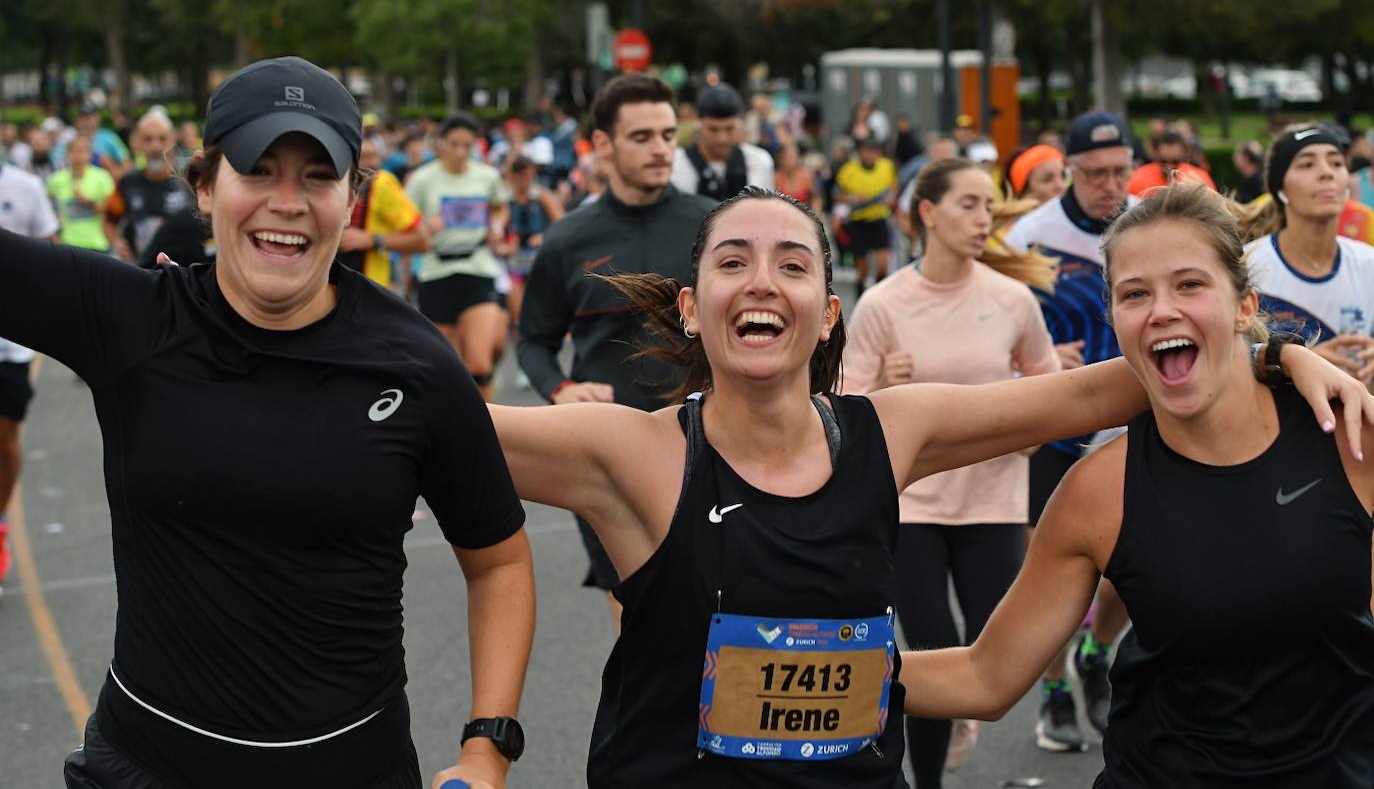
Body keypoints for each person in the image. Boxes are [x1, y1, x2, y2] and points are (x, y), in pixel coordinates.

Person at [488, 185, 1361, 789]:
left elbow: (1115, 377)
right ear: (690, 305)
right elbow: (436, 420)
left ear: (830, 314)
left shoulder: (887, 431)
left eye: (793, 264)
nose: (762, 282)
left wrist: (1271, 358)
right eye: (733, 263)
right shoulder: (629, 452)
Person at [1, 56, 533, 789]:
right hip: (146, 766)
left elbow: (499, 560)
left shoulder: (416, 365)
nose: (287, 201)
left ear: (353, 202)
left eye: (318, 176)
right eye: (259, 169)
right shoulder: (131, 320)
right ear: (204, 185)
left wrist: (487, 748)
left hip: (354, 769)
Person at [898, 182, 1374, 788]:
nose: (1161, 309)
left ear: (1245, 306)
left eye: (1190, 284)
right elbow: (985, 678)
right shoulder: (1098, 493)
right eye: (1135, 294)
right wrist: (804, 675)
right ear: (1116, 320)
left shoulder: (1350, 440)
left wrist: (1282, 357)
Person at [842, 160, 1061, 786]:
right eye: (969, 205)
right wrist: (884, 384)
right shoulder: (884, 303)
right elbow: (844, 409)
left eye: (989, 207)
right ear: (928, 214)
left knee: (993, 651)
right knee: (933, 653)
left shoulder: (1012, 299)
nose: (983, 218)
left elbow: (1049, 386)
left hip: (993, 502)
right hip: (914, 508)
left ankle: (955, 715)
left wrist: (1027, 435)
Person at [516, 73, 714, 627]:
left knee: (713, 606)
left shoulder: (713, 226)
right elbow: (533, 340)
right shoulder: (567, 239)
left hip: (706, 442)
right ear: (602, 145)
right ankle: (646, 715)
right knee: (639, 614)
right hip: (606, 453)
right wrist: (559, 388)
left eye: (669, 135)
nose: (661, 149)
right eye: (643, 137)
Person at [1002, 110, 1137, 752]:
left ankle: (1098, 649)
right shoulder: (1032, 235)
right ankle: (1054, 692)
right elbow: (999, 328)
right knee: (1053, 572)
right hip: (1054, 426)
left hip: (1136, 423)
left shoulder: (1145, 226)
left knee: (1129, 569)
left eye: (1121, 170)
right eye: (1096, 172)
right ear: (1071, 171)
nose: (1111, 184)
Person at [1236, 123, 1374, 383]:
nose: (1326, 173)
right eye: (1307, 164)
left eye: (1336, 163)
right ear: (1280, 189)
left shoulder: (1369, 263)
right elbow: (1220, 362)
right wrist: (1294, 362)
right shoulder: (1246, 265)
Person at [407, 112, 510, 400]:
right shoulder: (422, 179)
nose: (461, 151)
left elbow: (500, 207)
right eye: (454, 144)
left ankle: (491, 434)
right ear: (440, 143)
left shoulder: (486, 175)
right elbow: (404, 223)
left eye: (468, 144)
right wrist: (426, 228)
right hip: (436, 270)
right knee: (447, 367)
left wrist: (496, 226)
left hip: (477, 266)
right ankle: (453, 435)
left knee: (479, 363)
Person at [0, 160, 60, 594]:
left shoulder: (23, 185)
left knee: (4, 443)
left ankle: (0, 524)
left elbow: (49, 251)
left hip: (8, 346)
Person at [336, 137, 430, 291]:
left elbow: (422, 240)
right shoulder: (328, 182)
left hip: (369, 291)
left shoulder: (381, 184)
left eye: (372, 156)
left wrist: (373, 240)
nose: (369, 164)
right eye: (362, 157)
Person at [106, 110, 198, 262]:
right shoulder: (126, 183)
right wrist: (117, 242)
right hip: (143, 273)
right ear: (137, 142)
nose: (155, 146)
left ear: (172, 140)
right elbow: (109, 221)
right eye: (148, 139)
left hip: (184, 273)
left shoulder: (189, 182)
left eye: (162, 139)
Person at [671, 82, 774, 200]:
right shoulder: (676, 164)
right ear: (698, 123)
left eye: (729, 129)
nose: (722, 139)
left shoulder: (758, 162)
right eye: (713, 129)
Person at [500, 154, 563, 329]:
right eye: (520, 175)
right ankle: (521, 329)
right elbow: (496, 227)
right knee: (517, 308)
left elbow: (562, 223)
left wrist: (545, 236)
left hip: (537, 255)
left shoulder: (542, 195)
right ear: (512, 175)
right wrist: (504, 243)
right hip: (513, 257)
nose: (525, 180)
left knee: (541, 302)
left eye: (528, 175)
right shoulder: (504, 197)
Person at [835, 135, 897, 293]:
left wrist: (891, 198)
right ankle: (861, 301)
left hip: (879, 219)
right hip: (858, 222)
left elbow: (894, 187)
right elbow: (837, 196)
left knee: (883, 265)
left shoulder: (886, 166)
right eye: (867, 151)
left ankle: (878, 298)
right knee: (862, 270)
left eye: (874, 152)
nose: (870, 155)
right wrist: (852, 198)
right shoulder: (849, 170)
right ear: (860, 153)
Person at [47, 135, 120, 254]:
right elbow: (45, 206)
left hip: (97, 243)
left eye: (83, 151)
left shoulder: (102, 177)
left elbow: (111, 212)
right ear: (68, 154)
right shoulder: (56, 179)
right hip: (67, 243)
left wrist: (88, 202)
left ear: (90, 154)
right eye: (75, 151)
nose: (79, 156)